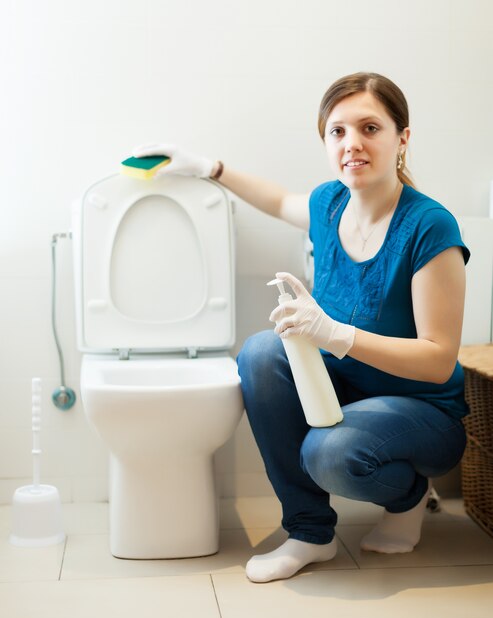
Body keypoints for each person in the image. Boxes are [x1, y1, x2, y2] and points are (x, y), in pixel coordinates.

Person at [133, 71, 470, 584]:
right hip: (348, 390)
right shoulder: (328, 203)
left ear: (402, 138)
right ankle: (311, 534)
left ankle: (407, 498)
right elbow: (278, 201)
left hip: (422, 410)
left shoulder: (430, 227)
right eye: (337, 131)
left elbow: (438, 358)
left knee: (328, 453)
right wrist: (209, 168)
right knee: (260, 353)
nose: (351, 144)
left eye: (370, 128)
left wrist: (334, 333)